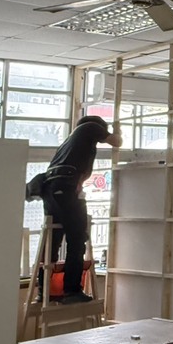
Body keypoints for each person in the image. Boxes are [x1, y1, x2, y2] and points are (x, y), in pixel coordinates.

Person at [38, 115, 121, 304]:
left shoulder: (69, 142)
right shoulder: (90, 127)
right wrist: (118, 130)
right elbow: (116, 142)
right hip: (65, 188)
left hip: (50, 188)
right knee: (77, 238)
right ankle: (72, 291)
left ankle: (44, 291)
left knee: (53, 241)